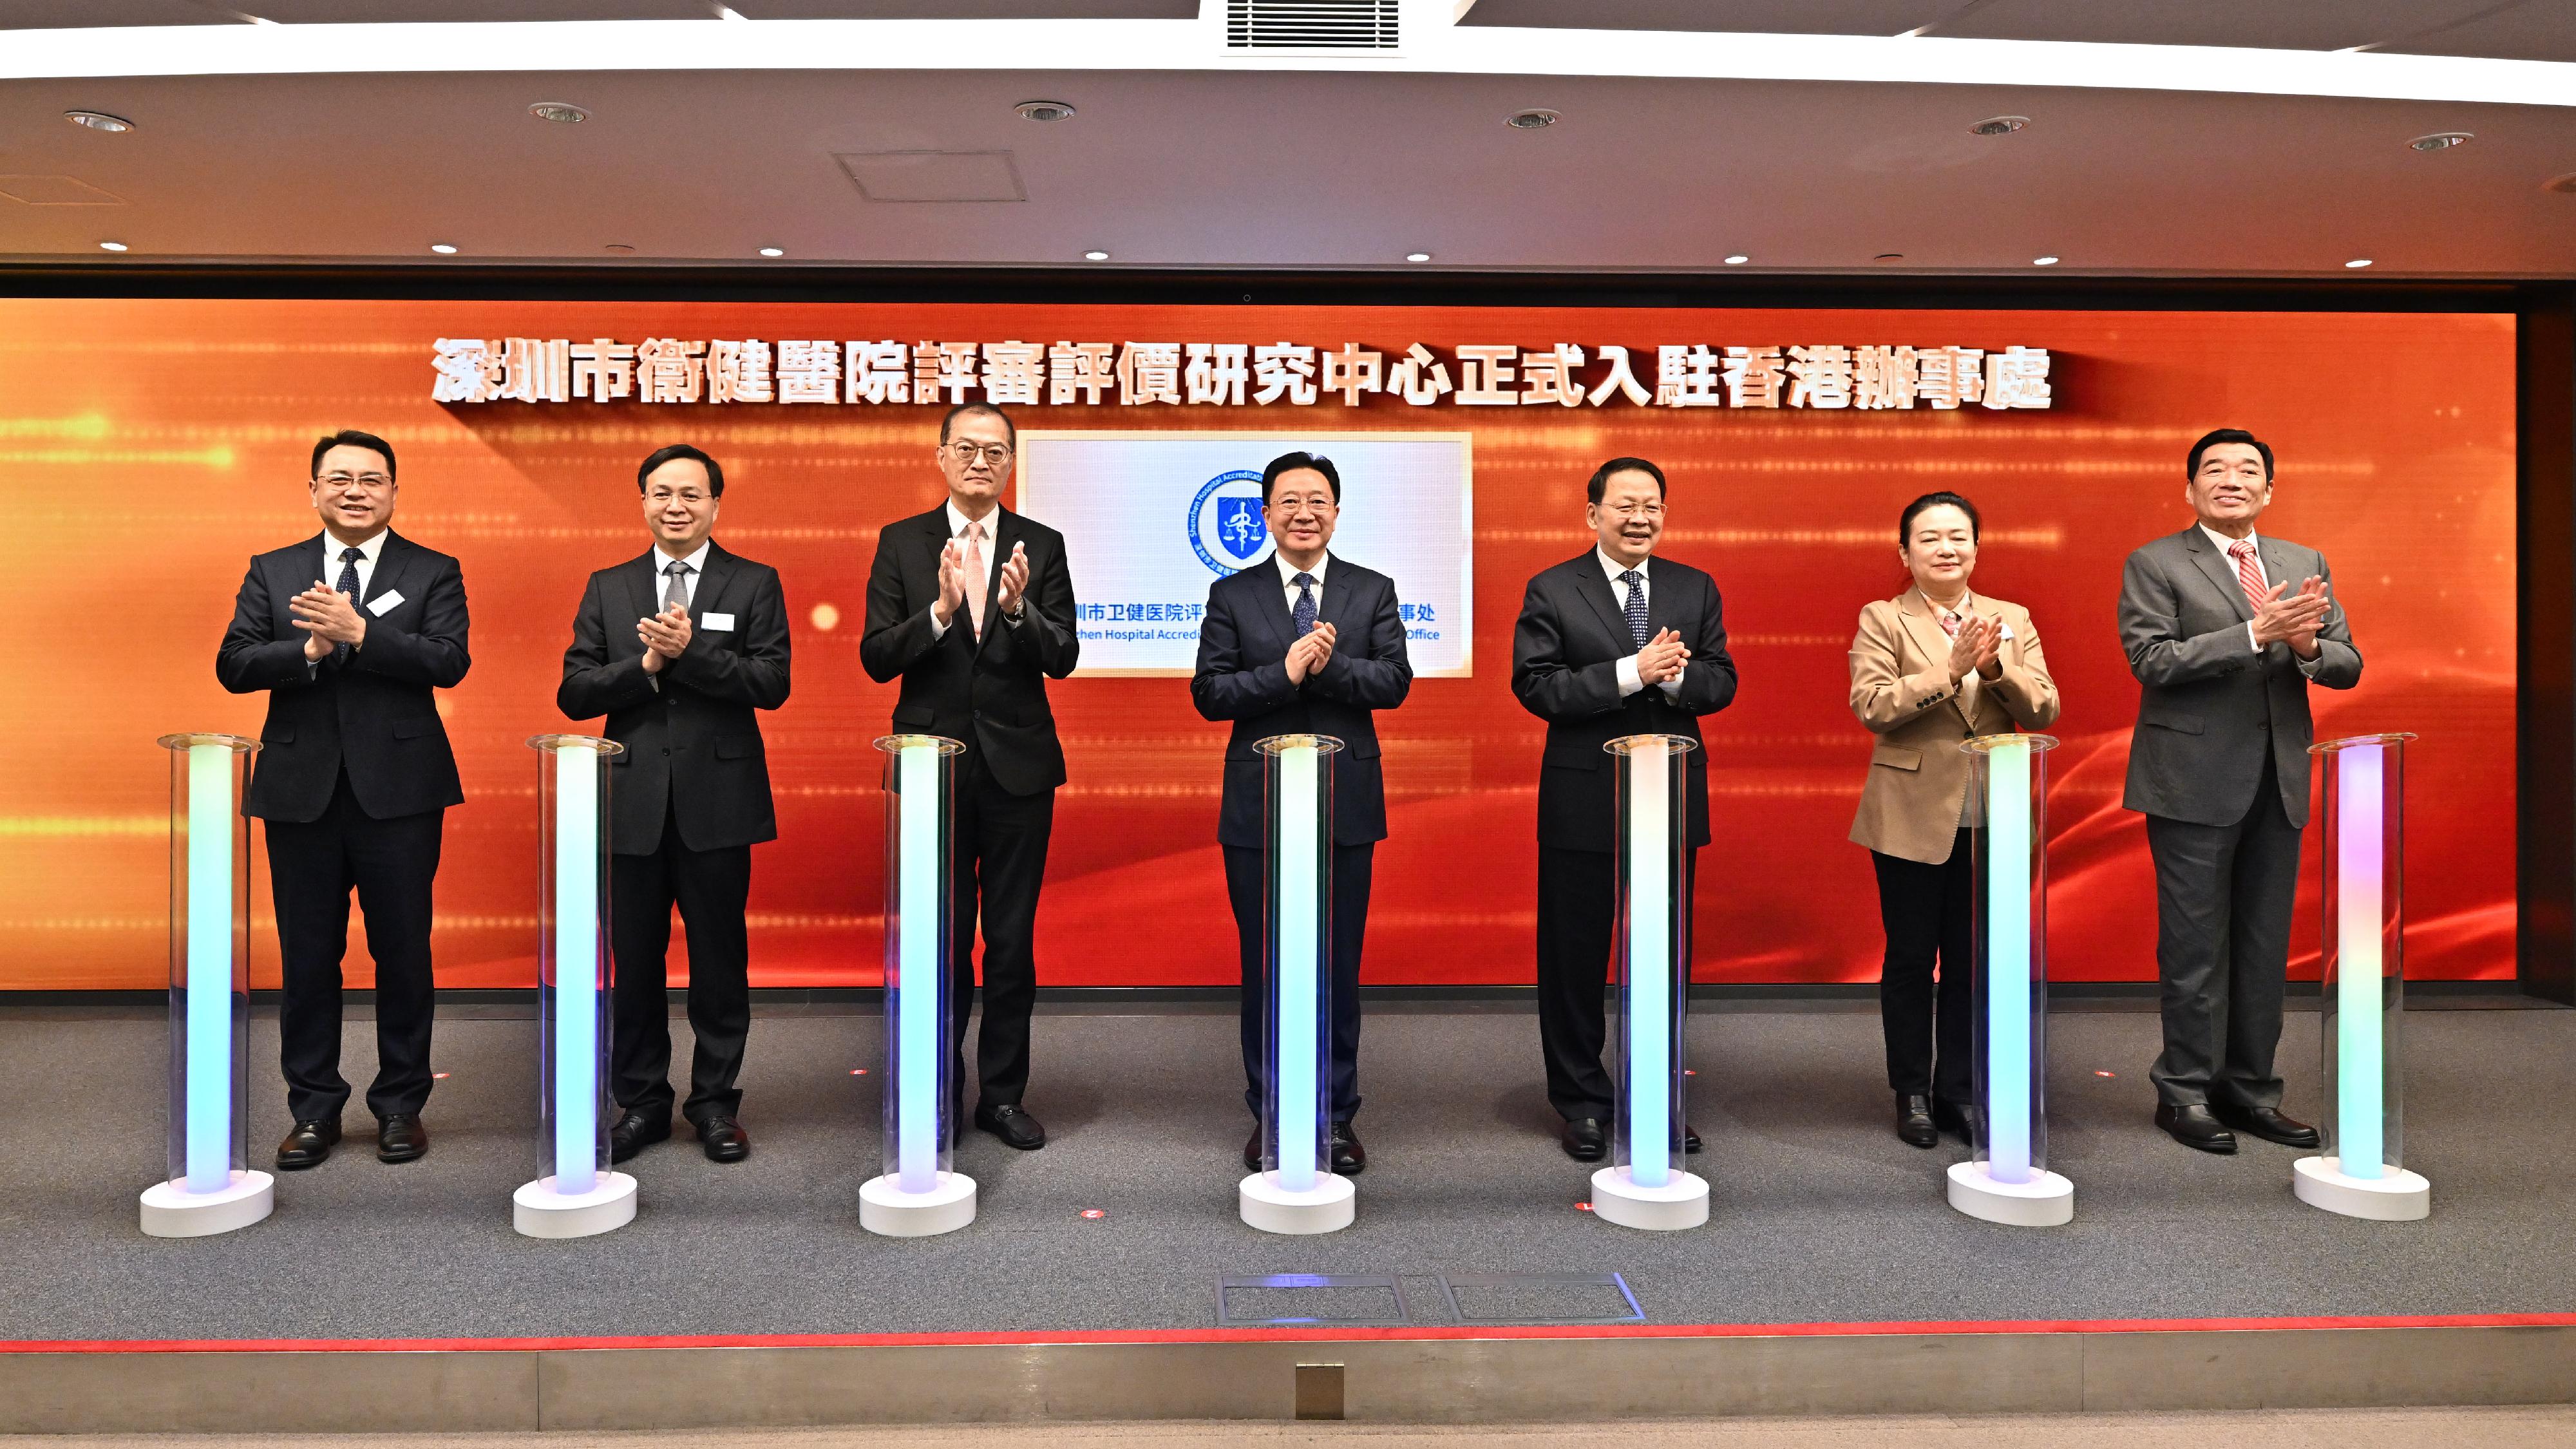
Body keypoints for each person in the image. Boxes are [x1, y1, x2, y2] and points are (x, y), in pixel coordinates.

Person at [216, 430, 470, 1170]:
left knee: (402, 952)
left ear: (394, 491)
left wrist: (362, 631)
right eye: (339, 478)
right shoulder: (275, 570)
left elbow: (449, 661)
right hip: (301, 793)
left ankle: (400, 1106)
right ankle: (314, 1110)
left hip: (402, 791)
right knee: (307, 956)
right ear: (314, 490)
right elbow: (234, 664)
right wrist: (307, 651)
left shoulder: (433, 570)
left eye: (371, 479)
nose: (355, 490)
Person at [2121, 428, 2361, 1153]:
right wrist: (2255, 633)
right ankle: (2185, 1093)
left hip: (2278, 779)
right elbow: (2151, 659)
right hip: (2191, 782)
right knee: (2195, 948)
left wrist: (2306, 645)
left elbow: (2346, 663)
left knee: (2262, 948)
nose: (2233, 479)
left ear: (2269, 489)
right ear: (2189, 487)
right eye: (2215, 469)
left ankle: (2249, 1090)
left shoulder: (2301, 561)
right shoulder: (2157, 561)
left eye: (2249, 469)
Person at [558, 444, 791, 1164]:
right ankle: (644, 1103)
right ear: (643, 502)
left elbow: (771, 682)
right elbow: (575, 692)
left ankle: (716, 1104)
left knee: (720, 961)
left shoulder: (753, 582)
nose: (677, 506)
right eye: (662, 493)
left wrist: (692, 656)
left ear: (717, 505)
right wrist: (648, 666)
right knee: (635, 964)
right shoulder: (610, 585)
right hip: (630, 803)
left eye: (692, 494)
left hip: (718, 801)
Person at [860, 402, 1080, 1150]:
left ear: (1012, 461)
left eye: (995, 450)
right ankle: (935, 1093)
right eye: (967, 448)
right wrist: (942, 611)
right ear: (941, 456)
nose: (980, 460)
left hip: (1019, 767)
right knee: (939, 941)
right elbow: (876, 656)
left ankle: (1003, 1096)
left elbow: (1064, 655)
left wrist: (1019, 612)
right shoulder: (901, 542)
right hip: (931, 768)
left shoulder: (1040, 544)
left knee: (1011, 941)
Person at [1510, 457, 1738, 1162]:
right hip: (1584, 795)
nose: (1640, 518)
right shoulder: (1552, 588)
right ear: (1593, 515)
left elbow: (1720, 681)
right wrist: (1628, 672)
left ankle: (1655, 1099)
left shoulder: (1692, 587)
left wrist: (1671, 680)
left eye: (1652, 506)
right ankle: (1580, 1099)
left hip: (1668, 794)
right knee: (1575, 955)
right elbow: (1536, 687)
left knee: (1663, 957)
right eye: (1624, 506)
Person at [1191, 452, 1412, 1176]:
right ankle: (1272, 1115)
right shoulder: (1232, 593)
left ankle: (1336, 1115)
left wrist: (1328, 667)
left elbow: (1392, 682)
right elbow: (1211, 694)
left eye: (1317, 500)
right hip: (1258, 808)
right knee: (1266, 966)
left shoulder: (1370, 590)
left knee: (1336, 967)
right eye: (1288, 501)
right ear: (1264, 515)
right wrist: (1282, 674)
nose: (1304, 512)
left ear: (1337, 513)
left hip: (1344, 803)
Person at [1847, 492, 2059, 1149]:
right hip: (1909, 812)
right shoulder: (1883, 617)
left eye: (1959, 536)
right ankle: (1910, 1090)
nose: (1947, 548)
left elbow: (2045, 707)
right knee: (1911, 957)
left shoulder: (2010, 617)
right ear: (1905, 552)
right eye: (1931, 538)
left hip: (1990, 812)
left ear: (1976, 547)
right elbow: (1872, 706)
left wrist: (1994, 667)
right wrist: (1951, 668)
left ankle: (1957, 1092)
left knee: (1974, 962)